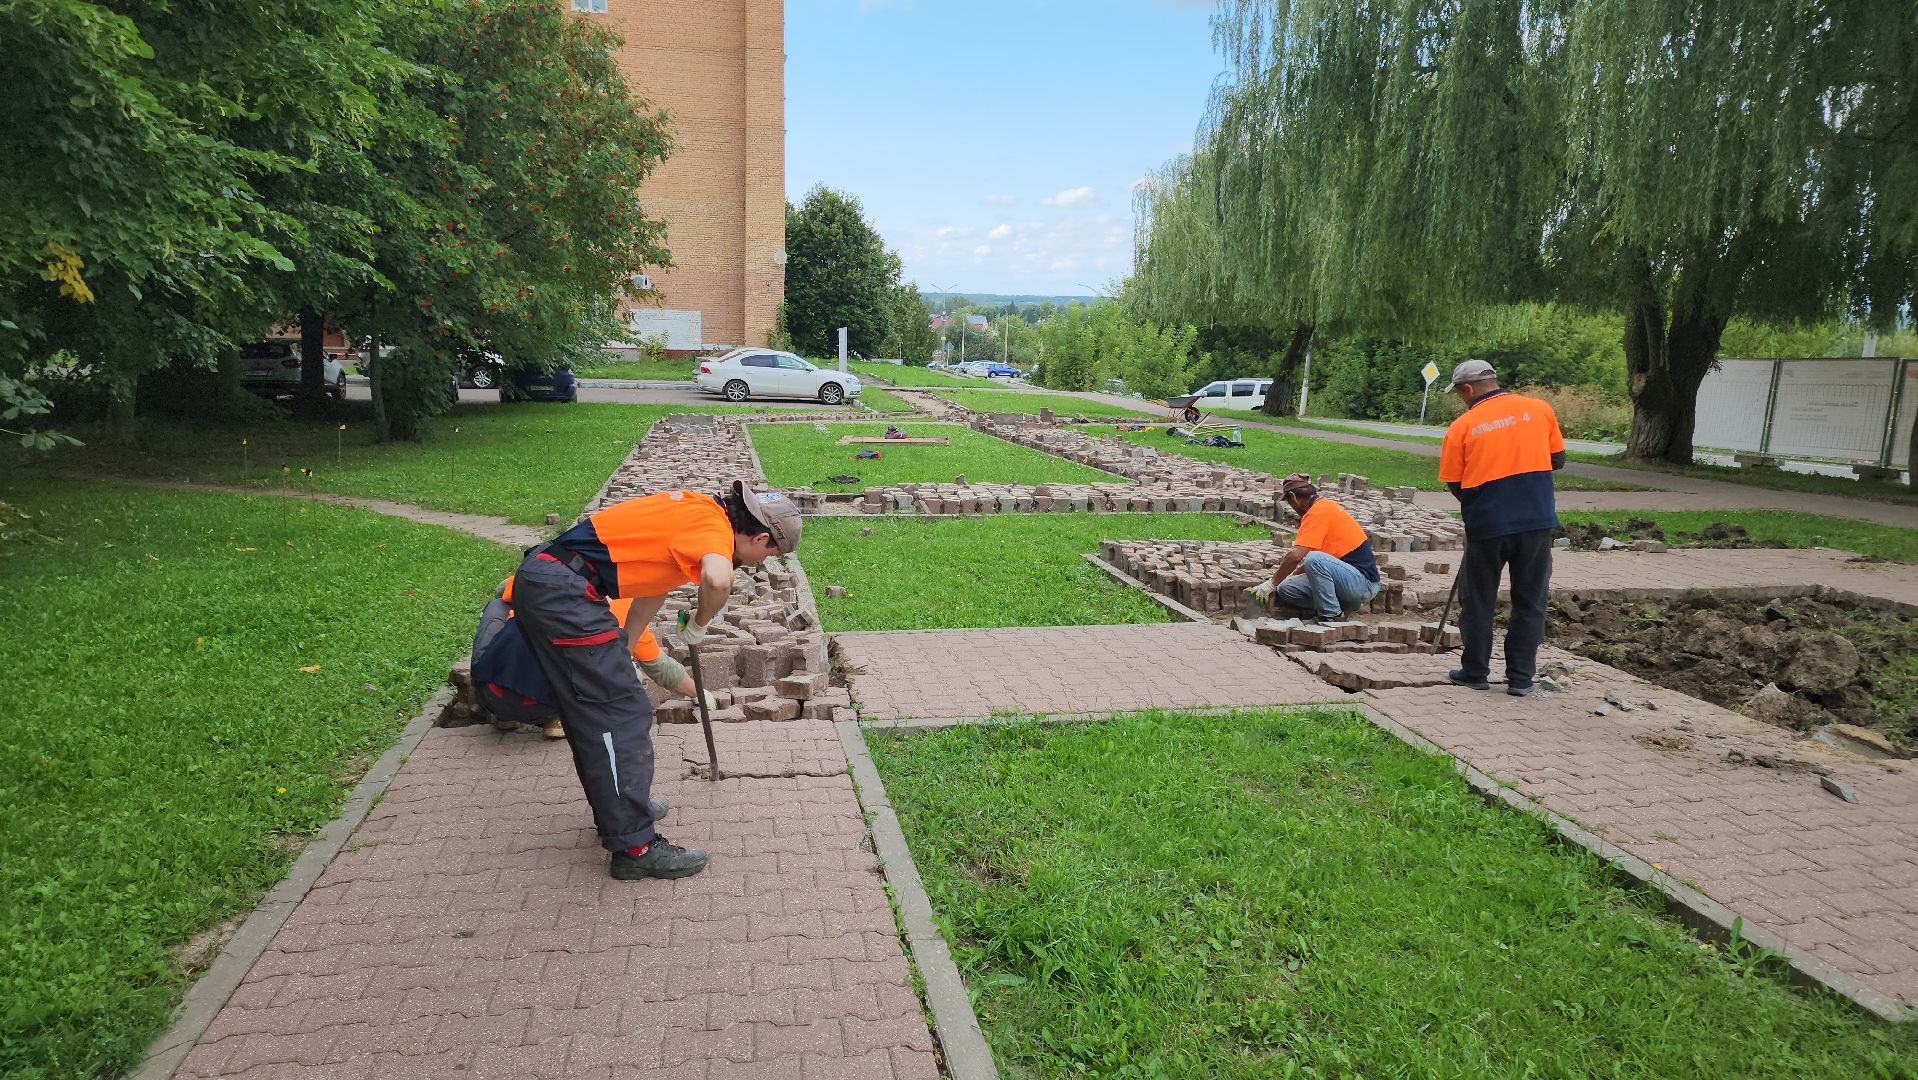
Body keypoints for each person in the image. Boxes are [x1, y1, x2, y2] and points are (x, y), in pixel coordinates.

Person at [506, 480, 802, 880]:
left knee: (599, 712)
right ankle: (634, 846)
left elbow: (652, 586)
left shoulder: (700, 511)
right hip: (564, 593)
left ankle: (621, 811)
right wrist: (700, 622)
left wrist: (623, 647)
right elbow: (717, 581)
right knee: (619, 715)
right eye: (768, 553)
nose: (760, 563)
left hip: (555, 582)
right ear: (761, 536)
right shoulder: (713, 531)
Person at [1438, 359, 1566, 696]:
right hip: (1536, 521)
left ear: (1467, 389)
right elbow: (1557, 460)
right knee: (1531, 600)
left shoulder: (1461, 427)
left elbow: (1455, 483)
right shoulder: (1539, 410)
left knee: (1479, 599)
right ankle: (1521, 678)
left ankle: (1476, 671)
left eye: (1459, 393)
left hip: (1488, 523)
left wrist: (1485, 495)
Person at [1250, 473, 1381, 621]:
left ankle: (1332, 616)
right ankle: (1342, 606)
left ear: (1292, 496)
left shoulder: (1318, 512)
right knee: (1286, 588)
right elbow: (1319, 562)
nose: (1291, 507)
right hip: (1346, 580)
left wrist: (1271, 584)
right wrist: (1283, 579)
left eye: (1288, 502)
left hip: (1364, 584)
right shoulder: (1321, 507)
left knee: (1314, 559)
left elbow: (1297, 555)